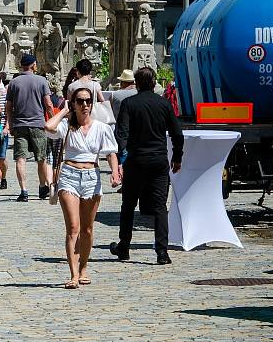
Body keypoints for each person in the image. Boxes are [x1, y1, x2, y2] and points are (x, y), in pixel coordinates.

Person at [45, 88, 119, 289]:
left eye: (88, 101)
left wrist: (114, 171)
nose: (85, 105)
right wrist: (64, 111)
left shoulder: (102, 128)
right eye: (80, 101)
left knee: (87, 229)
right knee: (73, 228)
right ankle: (73, 274)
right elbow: (47, 126)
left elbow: (111, 152)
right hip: (69, 175)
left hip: (91, 177)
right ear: (74, 103)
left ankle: (84, 266)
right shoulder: (66, 126)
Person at [112, 67, 184, 265]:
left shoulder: (129, 104)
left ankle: (124, 246)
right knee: (160, 207)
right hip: (159, 160)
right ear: (154, 83)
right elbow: (177, 133)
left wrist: (121, 159)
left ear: (136, 83)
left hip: (136, 160)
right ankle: (162, 252)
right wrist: (177, 156)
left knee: (128, 205)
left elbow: (122, 134)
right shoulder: (163, 104)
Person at [5, 53, 53, 201]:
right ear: (33, 65)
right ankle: (42, 187)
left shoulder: (14, 83)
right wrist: (52, 120)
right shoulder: (41, 81)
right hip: (38, 124)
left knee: (20, 158)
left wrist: (10, 123)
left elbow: (9, 106)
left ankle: (24, 191)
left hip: (20, 125)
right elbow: (48, 104)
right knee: (41, 158)